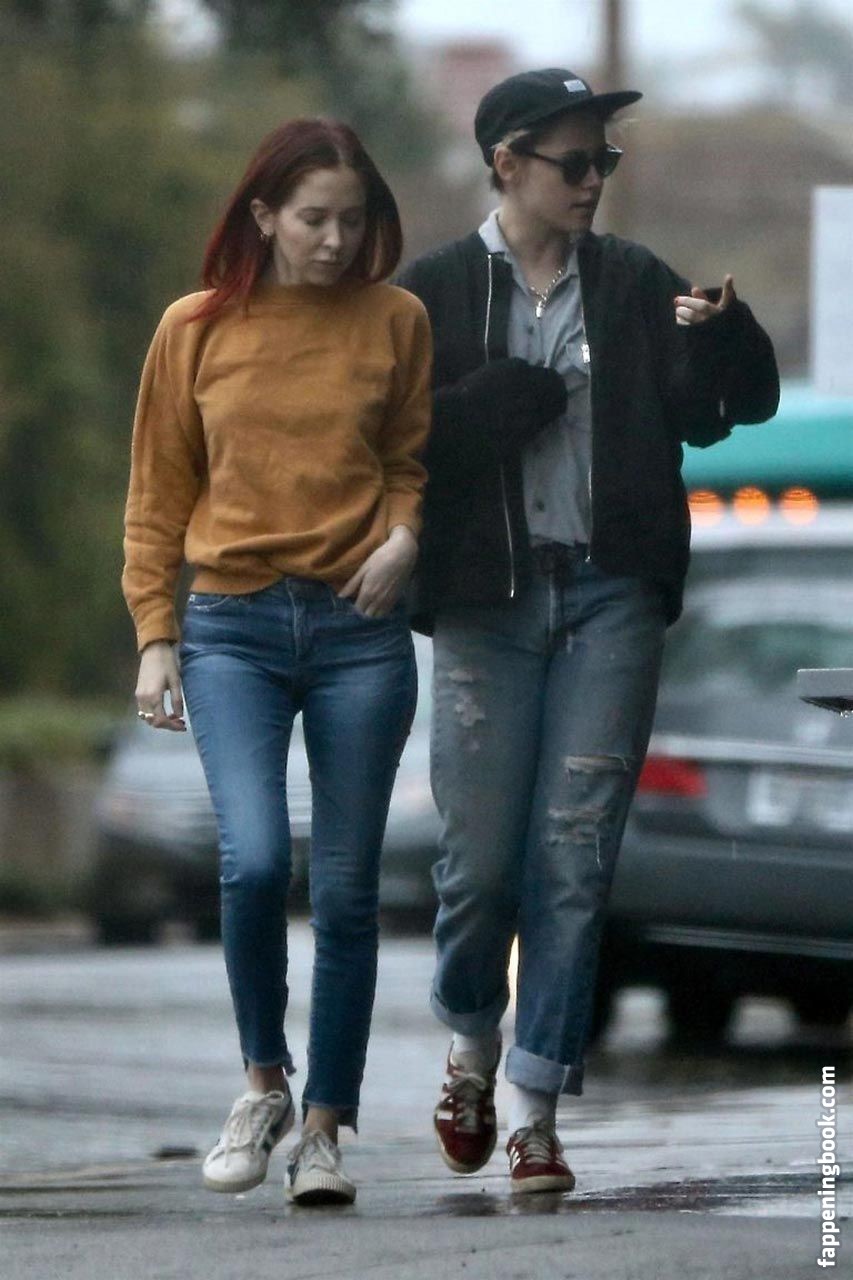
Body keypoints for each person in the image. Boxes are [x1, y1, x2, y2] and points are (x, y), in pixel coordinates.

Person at [396, 68, 779, 1194]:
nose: (592, 181)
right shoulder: (431, 294)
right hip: (487, 606)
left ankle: (536, 1107)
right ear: (506, 164)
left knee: (574, 855)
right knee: (478, 866)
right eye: (573, 162)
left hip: (611, 596)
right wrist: (482, 411)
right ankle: (471, 1042)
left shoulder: (634, 282)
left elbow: (718, 413)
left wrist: (728, 337)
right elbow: (389, 442)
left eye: (603, 161)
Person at [123, 118, 431, 1205]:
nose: (335, 240)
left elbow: (408, 459)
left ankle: (325, 1131)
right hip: (233, 627)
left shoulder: (396, 320)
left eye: (352, 219)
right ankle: (263, 1082)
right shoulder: (195, 328)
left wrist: (404, 538)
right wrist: (155, 636)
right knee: (253, 860)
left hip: (360, 629)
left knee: (345, 892)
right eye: (312, 219)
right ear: (262, 216)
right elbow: (157, 492)